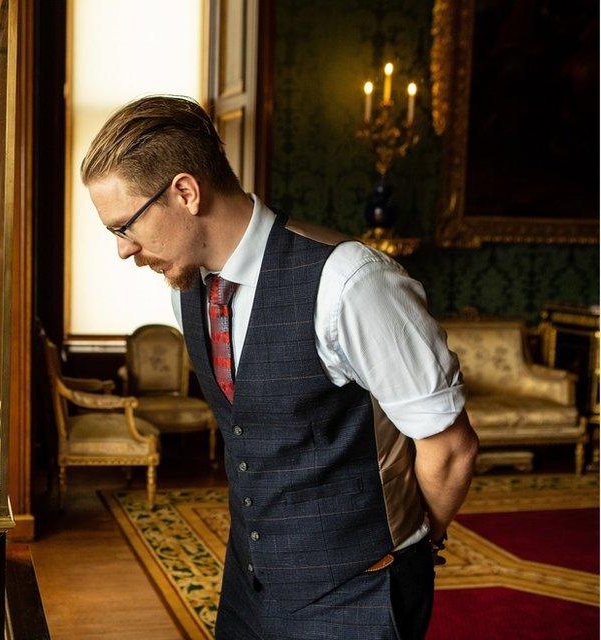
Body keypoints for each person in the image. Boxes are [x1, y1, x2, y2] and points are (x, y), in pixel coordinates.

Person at [82, 95, 478, 640]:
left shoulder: (349, 283)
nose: (124, 251)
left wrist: (412, 547)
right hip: (248, 586)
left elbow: (450, 447)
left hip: (356, 592)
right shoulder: (187, 292)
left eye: (124, 226)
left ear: (185, 192)